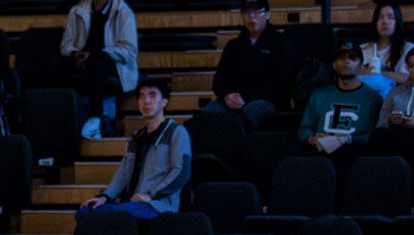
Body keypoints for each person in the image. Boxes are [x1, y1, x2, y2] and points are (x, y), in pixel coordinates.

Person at [79, 78, 191, 221]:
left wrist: (151, 195)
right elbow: (123, 174)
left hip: (157, 205)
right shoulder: (136, 137)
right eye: (141, 97)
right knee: (85, 212)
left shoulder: (176, 132)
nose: (146, 101)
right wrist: (105, 197)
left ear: (164, 102)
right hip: (132, 203)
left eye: (152, 95)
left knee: (108, 215)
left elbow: (182, 172)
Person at [203, 0, 293, 130]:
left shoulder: (281, 43)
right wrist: (227, 95)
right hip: (233, 99)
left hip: (268, 100)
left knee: (249, 113)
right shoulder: (233, 45)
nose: (251, 17)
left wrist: (245, 96)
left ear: (267, 14)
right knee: (208, 114)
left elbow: (281, 84)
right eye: (247, 12)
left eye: (257, 12)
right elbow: (219, 80)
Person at [298, 40, 383, 172]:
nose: (346, 61)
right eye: (341, 57)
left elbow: (373, 136)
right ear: (334, 64)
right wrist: (311, 138)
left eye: (352, 57)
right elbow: (304, 129)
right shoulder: (319, 95)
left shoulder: (373, 98)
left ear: (361, 65)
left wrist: (347, 139)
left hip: (354, 155)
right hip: (319, 152)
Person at [58, 0, 139, 139]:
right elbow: (66, 46)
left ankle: (94, 118)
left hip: (113, 64)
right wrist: (75, 54)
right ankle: (55, 117)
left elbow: (129, 52)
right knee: (53, 63)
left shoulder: (123, 12)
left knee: (99, 60)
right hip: (83, 61)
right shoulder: (77, 11)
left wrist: (96, 54)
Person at [359, 4, 413, 95]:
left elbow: (409, 78)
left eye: (391, 17)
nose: (385, 21)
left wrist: (379, 72)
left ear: (397, 21)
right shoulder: (363, 48)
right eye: (380, 17)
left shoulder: (407, 48)